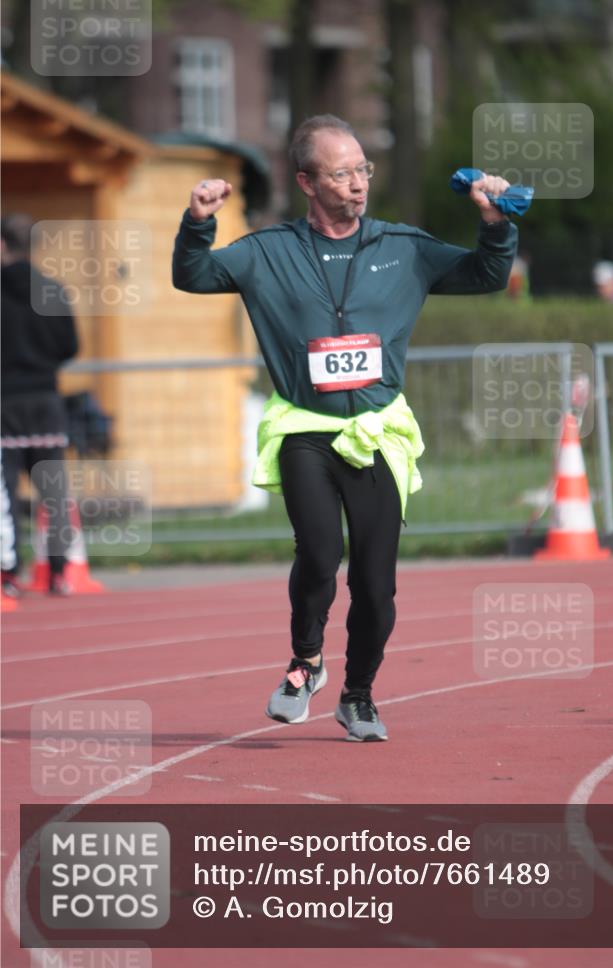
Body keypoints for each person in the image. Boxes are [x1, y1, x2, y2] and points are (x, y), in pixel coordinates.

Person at [172, 114, 517, 741]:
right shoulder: (267, 252)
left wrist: (495, 223)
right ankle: (306, 662)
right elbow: (193, 275)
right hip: (305, 428)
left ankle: (358, 695)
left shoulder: (404, 247)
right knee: (319, 553)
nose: (358, 184)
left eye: (363, 169)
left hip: (377, 430)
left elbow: (487, 275)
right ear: (306, 181)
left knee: (375, 585)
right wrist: (198, 222)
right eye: (341, 173)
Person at [1, 213, 79, 596]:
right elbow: (70, 346)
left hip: (5, 403)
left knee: (6, 494)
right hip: (46, 400)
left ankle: (9, 574)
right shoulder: (51, 290)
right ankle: (60, 573)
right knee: (54, 492)